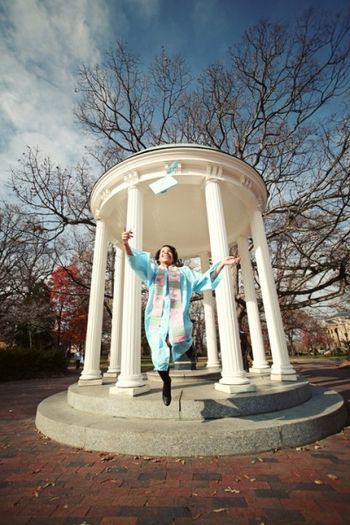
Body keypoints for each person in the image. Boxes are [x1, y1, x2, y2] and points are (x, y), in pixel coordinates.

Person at [122, 229, 240, 406]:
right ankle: (166, 382)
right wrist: (125, 244)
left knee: (179, 337)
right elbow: (136, 263)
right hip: (157, 318)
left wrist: (221, 264)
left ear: (174, 256)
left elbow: (203, 280)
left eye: (169, 251)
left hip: (177, 317)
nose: (166, 253)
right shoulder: (153, 272)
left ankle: (188, 344)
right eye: (163, 252)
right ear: (159, 257)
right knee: (159, 357)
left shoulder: (183, 273)